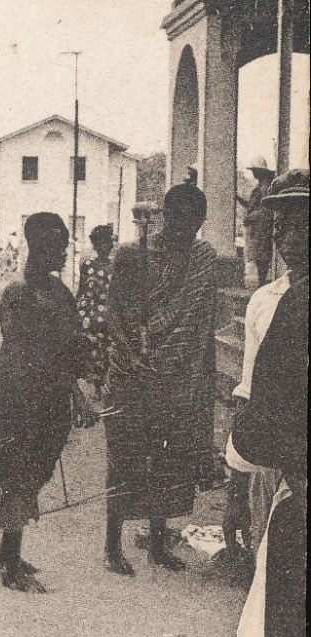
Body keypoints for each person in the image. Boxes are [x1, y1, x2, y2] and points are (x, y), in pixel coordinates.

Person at [218, 169, 308, 637]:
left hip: (294, 487)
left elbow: (257, 433)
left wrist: (242, 444)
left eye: (298, 221)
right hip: (280, 480)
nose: (285, 235)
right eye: (279, 222)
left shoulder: (293, 306)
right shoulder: (270, 300)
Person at [103, 183, 217, 576]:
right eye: (177, 223)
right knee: (123, 461)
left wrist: (170, 363)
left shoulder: (202, 258)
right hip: (128, 373)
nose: (183, 234)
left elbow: (197, 319)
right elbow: (112, 311)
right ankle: (112, 546)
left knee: (164, 461)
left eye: (192, 226)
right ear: (163, 217)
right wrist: (132, 355)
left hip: (172, 376)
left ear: (200, 224)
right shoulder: (132, 254)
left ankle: (156, 542)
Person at [0, 214, 96, 591]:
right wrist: (70, 388)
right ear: (39, 246)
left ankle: (6, 549)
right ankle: (12, 567)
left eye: (65, 246)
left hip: (50, 394)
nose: (64, 254)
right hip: (20, 396)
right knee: (19, 473)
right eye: (58, 247)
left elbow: (69, 345)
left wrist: (75, 390)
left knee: (38, 471)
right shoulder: (19, 292)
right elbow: (25, 351)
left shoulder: (58, 290)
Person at [76, 224, 116, 390]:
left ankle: (101, 385)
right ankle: (92, 388)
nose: (105, 247)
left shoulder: (116, 267)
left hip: (108, 316)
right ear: (95, 244)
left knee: (106, 354)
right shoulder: (87, 265)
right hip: (89, 315)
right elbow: (82, 290)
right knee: (89, 351)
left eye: (107, 242)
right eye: (101, 243)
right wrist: (76, 312)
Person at [238, 158, 276, 286]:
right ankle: (261, 281)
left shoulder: (265, 187)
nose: (253, 173)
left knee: (262, 255)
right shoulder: (260, 186)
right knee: (259, 255)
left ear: (260, 171)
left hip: (262, 227)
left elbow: (264, 209)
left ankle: (262, 282)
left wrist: (250, 217)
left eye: (255, 170)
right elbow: (252, 205)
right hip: (258, 227)